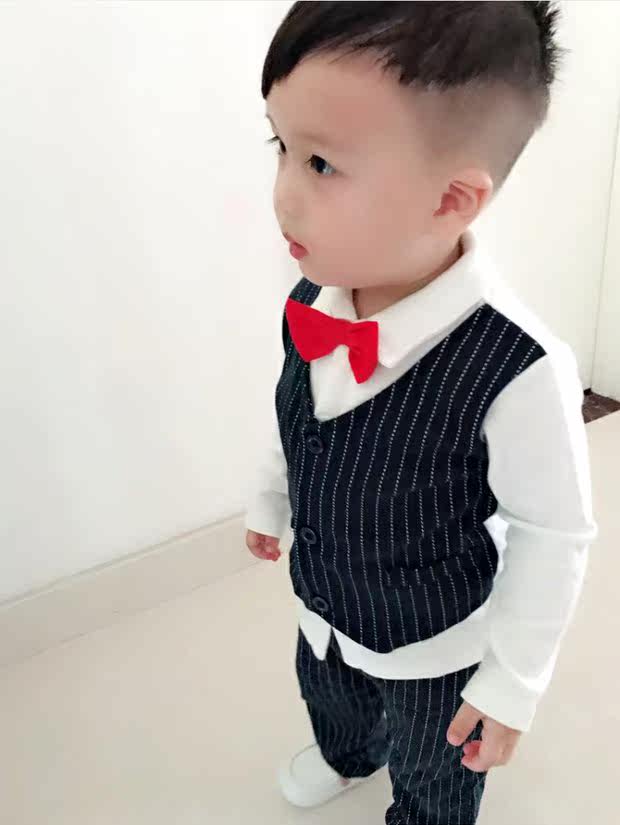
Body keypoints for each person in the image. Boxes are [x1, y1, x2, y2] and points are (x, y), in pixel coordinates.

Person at [245, 3, 597, 823]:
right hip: (325, 599)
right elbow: (294, 411)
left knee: (434, 762)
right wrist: (270, 494)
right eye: (280, 146)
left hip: (433, 640)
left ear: (452, 199)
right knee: (329, 693)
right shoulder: (316, 297)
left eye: (322, 164)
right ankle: (347, 752)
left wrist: (512, 683)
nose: (282, 195)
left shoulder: (517, 367)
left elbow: (554, 534)